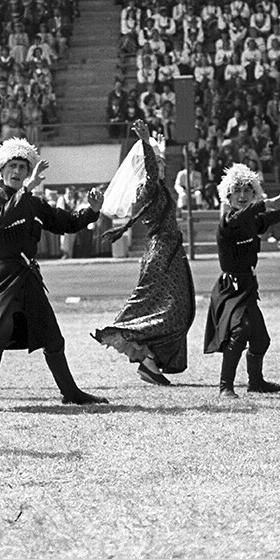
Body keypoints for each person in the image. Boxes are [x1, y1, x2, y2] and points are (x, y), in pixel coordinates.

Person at [0, 137, 108, 414]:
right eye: (12, 166)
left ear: (28, 172)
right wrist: (26, 190)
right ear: (1, 171)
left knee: (53, 339)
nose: (17, 172)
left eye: (22, 167)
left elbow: (68, 223)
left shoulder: (35, 204)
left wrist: (93, 211)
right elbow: (1, 218)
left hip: (28, 276)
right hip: (3, 277)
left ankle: (71, 393)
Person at [92, 120, 196, 386]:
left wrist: (156, 146)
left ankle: (150, 360)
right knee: (169, 310)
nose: (163, 167)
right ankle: (146, 358)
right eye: (158, 163)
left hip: (167, 251)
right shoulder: (147, 187)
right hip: (162, 253)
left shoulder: (157, 187)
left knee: (172, 309)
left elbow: (156, 170)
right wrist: (148, 144)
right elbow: (151, 171)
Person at [203, 164, 280, 399]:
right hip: (230, 288)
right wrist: (269, 201)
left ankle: (256, 382)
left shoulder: (251, 220)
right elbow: (243, 216)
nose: (242, 195)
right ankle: (225, 387)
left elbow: (265, 219)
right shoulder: (228, 221)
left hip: (248, 286)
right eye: (237, 190)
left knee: (261, 340)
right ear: (227, 195)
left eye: (248, 189)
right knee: (240, 332)